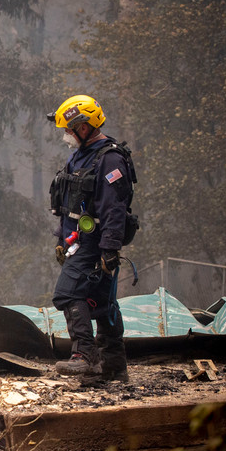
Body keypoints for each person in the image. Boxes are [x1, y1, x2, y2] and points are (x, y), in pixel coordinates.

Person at [47, 95, 136, 384]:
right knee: (102, 301)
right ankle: (114, 365)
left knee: (67, 294)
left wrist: (109, 249)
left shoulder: (110, 159)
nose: (65, 135)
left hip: (95, 243)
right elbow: (69, 204)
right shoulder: (80, 155)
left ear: (83, 128)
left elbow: (114, 208)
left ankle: (84, 354)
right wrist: (62, 239)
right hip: (78, 241)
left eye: (68, 129)